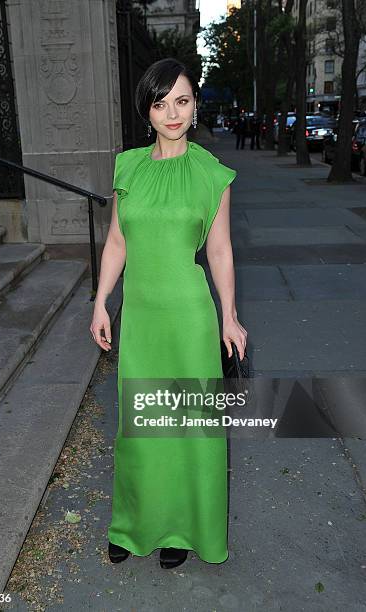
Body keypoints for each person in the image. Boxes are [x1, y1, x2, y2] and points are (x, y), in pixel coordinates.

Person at [90, 58, 247, 569]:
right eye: (160, 103)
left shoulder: (210, 173)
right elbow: (117, 240)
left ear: (195, 104)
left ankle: (181, 528)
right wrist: (100, 303)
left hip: (188, 317)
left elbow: (220, 251)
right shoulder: (128, 167)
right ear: (148, 111)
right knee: (139, 423)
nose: (171, 113)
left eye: (181, 100)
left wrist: (229, 315)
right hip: (142, 316)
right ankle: (132, 526)